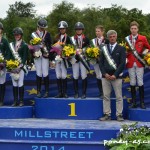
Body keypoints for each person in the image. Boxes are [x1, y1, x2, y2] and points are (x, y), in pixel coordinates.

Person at [99, 30, 126, 121]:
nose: (112, 38)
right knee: (106, 96)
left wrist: (115, 74)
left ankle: (119, 115)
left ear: (116, 37)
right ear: (108, 38)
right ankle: (107, 114)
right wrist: (105, 74)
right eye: (110, 37)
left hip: (117, 77)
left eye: (114, 36)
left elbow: (122, 64)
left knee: (119, 96)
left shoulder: (121, 48)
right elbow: (101, 63)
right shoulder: (104, 48)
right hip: (105, 76)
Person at [126, 21, 150, 109]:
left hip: (140, 62)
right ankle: (134, 102)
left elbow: (148, 48)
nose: (133, 30)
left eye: (135, 28)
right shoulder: (127, 39)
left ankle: (142, 103)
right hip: (130, 63)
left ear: (138, 29)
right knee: (132, 82)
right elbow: (126, 50)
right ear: (130, 29)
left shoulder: (142, 38)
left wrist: (144, 54)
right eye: (132, 28)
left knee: (140, 82)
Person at [31, 18, 52, 98]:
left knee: (45, 72)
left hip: (45, 55)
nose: (42, 29)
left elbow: (50, 45)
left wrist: (48, 53)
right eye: (41, 27)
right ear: (38, 26)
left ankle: (46, 91)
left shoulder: (47, 34)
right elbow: (31, 45)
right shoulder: (33, 34)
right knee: (38, 73)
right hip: (37, 55)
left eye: (43, 27)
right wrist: (33, 52)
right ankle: (38, 91)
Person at [52, 21, 71, 98]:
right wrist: (53, 58)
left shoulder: (68, 38)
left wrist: (66, 54)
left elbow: (70, 48)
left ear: (65, 29)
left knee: (64, 75)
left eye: (63, 29)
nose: (61, 30)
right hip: (57, 58)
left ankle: (65, 92)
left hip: (64, 58)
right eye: (60, 29)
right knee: (58, 75)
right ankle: (59, 92)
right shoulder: (56, 37)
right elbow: (53, 48)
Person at [71, 22, 90, 99]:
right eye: (77, 29)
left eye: (80, 29)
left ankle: (84, 93)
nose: (78, 31)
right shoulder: (71, 38)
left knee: (83, 76)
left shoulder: (86, 38)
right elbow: (69, 48)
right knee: (75, 75)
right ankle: (76, 93)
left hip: (83, 59)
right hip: (75, 59)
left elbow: (89, 48)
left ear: (82, 30)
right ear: (75, 30)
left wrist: (83, 50)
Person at [10, 27, 28, 106]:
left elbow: (24, 57)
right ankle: (15, 101)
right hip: (13, 67)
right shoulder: (12, 44)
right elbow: (10, 55)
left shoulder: (24, 45)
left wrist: (20, 67)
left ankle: (21, 101)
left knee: (20, 83)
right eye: (15, 35)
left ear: (21, 35)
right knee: (14, 84)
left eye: (18, 35)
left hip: (21, 67)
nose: (17, 36)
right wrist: (10, 65)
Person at [90, 25, 109, 98]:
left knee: (103, 76)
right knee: (98, 76)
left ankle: (105, 92)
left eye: (99, 31)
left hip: (104, 62)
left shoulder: (106, 40)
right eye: (96, 31)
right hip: (96, 61)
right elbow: (90, 51)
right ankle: (101, 92)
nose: (97, 33)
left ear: (102, 32)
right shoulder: (93, 41)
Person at [0, 22, 11, 106]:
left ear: (2, 30)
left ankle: (1, 101)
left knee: (2, 82)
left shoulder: (4, 40)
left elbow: (8, 52)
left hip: (2, 65)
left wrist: (5, 61)